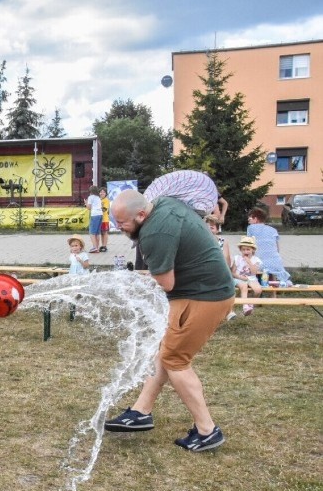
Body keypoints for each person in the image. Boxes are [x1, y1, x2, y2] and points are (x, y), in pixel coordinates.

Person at [104, 190, 234, 452]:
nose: (119, 229)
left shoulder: (154, 234)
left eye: (123, 223)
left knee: (175, 360)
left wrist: (131, 282)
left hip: (204, 296)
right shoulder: (164, 204)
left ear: (141, 214)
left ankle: (207, 430)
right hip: (196, 290)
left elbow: (165, 282)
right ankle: (141, 411)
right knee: (162, 352)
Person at [246, 207, 291, 285]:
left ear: (256, 219)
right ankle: (273, 295)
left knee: (253, 267)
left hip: (260, 263)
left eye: (250, 218)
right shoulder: (273, 230)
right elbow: (277, 249)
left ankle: (256, 291)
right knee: (271, 272)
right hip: (276, 262)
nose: (248, 220)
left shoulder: (251, 228)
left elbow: (249, 245)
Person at [204, 214, 235, 321]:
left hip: (220, 271)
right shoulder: (200, 242)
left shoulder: (223, 241)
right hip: (205, 272)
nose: (209, 230)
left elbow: (227, 260)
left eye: (212, 227)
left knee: (226, 281)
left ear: (217, 230)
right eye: (206, 227)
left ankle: (229, 311)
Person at [231, 236, 263, 317]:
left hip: (251, 278)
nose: (246, 251)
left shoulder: (256, 260)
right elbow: (233, 272)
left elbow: (254, 272)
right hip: (239, 278)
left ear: (253, 250)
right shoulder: (237, 258)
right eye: (243, 249)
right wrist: (240, 277)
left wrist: (249, 262)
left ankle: (251, 304)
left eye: (248, 249)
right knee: (244, 286)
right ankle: (245, 306)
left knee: (258, 290)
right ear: (240, 250)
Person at [85, 185, 103, 253]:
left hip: (94, 215)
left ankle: (94, 247)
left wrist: (86, 203)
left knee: (92, 233)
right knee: (97, 233)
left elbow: (89, 208)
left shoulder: (90, 197)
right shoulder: (98, 197)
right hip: (100, 214)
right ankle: (97, 247)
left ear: (90, 191)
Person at [99, 187, 110, 252]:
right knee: (101, 233)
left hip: (105, 219)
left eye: (103, 192)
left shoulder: (106, 200)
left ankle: (105, 245)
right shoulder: (98, 200)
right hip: (100, 219)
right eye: (101, 192)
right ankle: (102, 245)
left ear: (106, 193)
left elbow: (104, 209)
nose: (102, 193)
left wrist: (98, 208)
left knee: (105, 232)